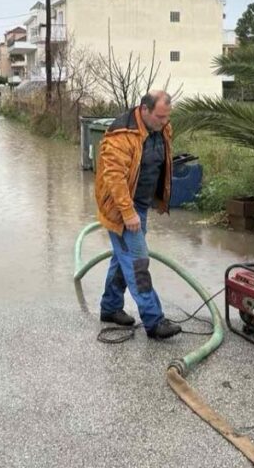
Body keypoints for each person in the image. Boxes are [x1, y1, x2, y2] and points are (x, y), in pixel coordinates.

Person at [94, 91, 181, 339]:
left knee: (123, 258)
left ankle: (110, 308)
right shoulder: (122, 135)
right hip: (121, 208)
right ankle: (154, 321)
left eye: (167, 118)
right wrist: (128, 212)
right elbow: (114, 177)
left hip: (139, 206)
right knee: (138, 262)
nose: (164, 123)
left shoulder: (161, 128)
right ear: (144, 109)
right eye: (160, 117)